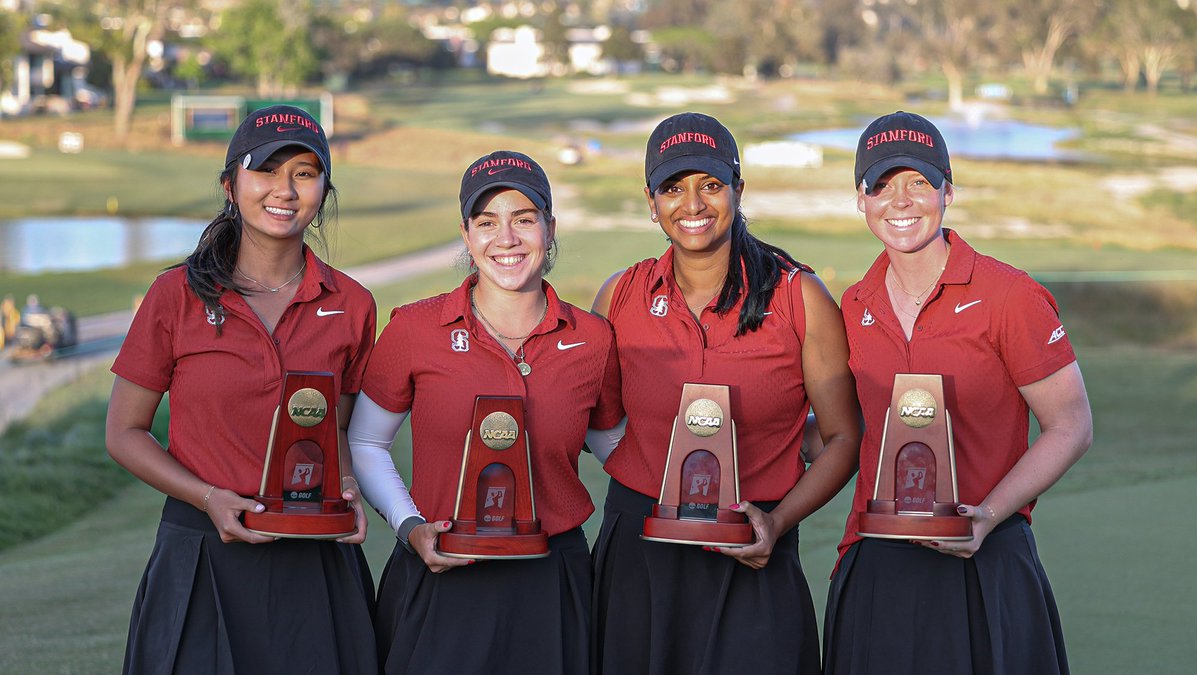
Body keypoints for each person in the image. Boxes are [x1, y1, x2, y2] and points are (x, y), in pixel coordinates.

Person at [105, 105, 378, 674]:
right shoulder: (174, 294)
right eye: (267, 171)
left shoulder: (352, 304)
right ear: (232, 185)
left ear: (324, 190)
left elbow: (338, 433)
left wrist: (348, 486)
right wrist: (208, 497)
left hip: (315, 556)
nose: (285, 189)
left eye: (304, 172)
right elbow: (125, 434)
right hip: (204, 551)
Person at [589, 112, 862, 674]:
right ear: (650, 198)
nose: (692, 204)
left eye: (711, 185)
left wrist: (778, 522)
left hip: (753, 548)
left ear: (738, 190)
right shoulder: (619, 296)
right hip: (640, 558)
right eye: (673, 187)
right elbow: (598, 419)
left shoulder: (798, 296)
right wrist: (639, 468)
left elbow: (842, 437)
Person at [823, 111, 1093, 674]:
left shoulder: (1009, 296)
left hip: (984, 555)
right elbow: (846, 429)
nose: (901, 200)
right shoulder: (855, 304)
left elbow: (1070, 426)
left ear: (948, 189)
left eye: (918, 182)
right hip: (879, 557)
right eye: (882, 184)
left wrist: (987, 515)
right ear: (860, 199)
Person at [347, 150, 623, 674]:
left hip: (552, 580)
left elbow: (617, 446)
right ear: (467, 234)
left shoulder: (592, 339)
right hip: (442, 568)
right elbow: (366, 442)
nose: (507, 239)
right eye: (487, 222)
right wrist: (410, 526)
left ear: (549, 227)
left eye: (523, 219)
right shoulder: (414, 328)